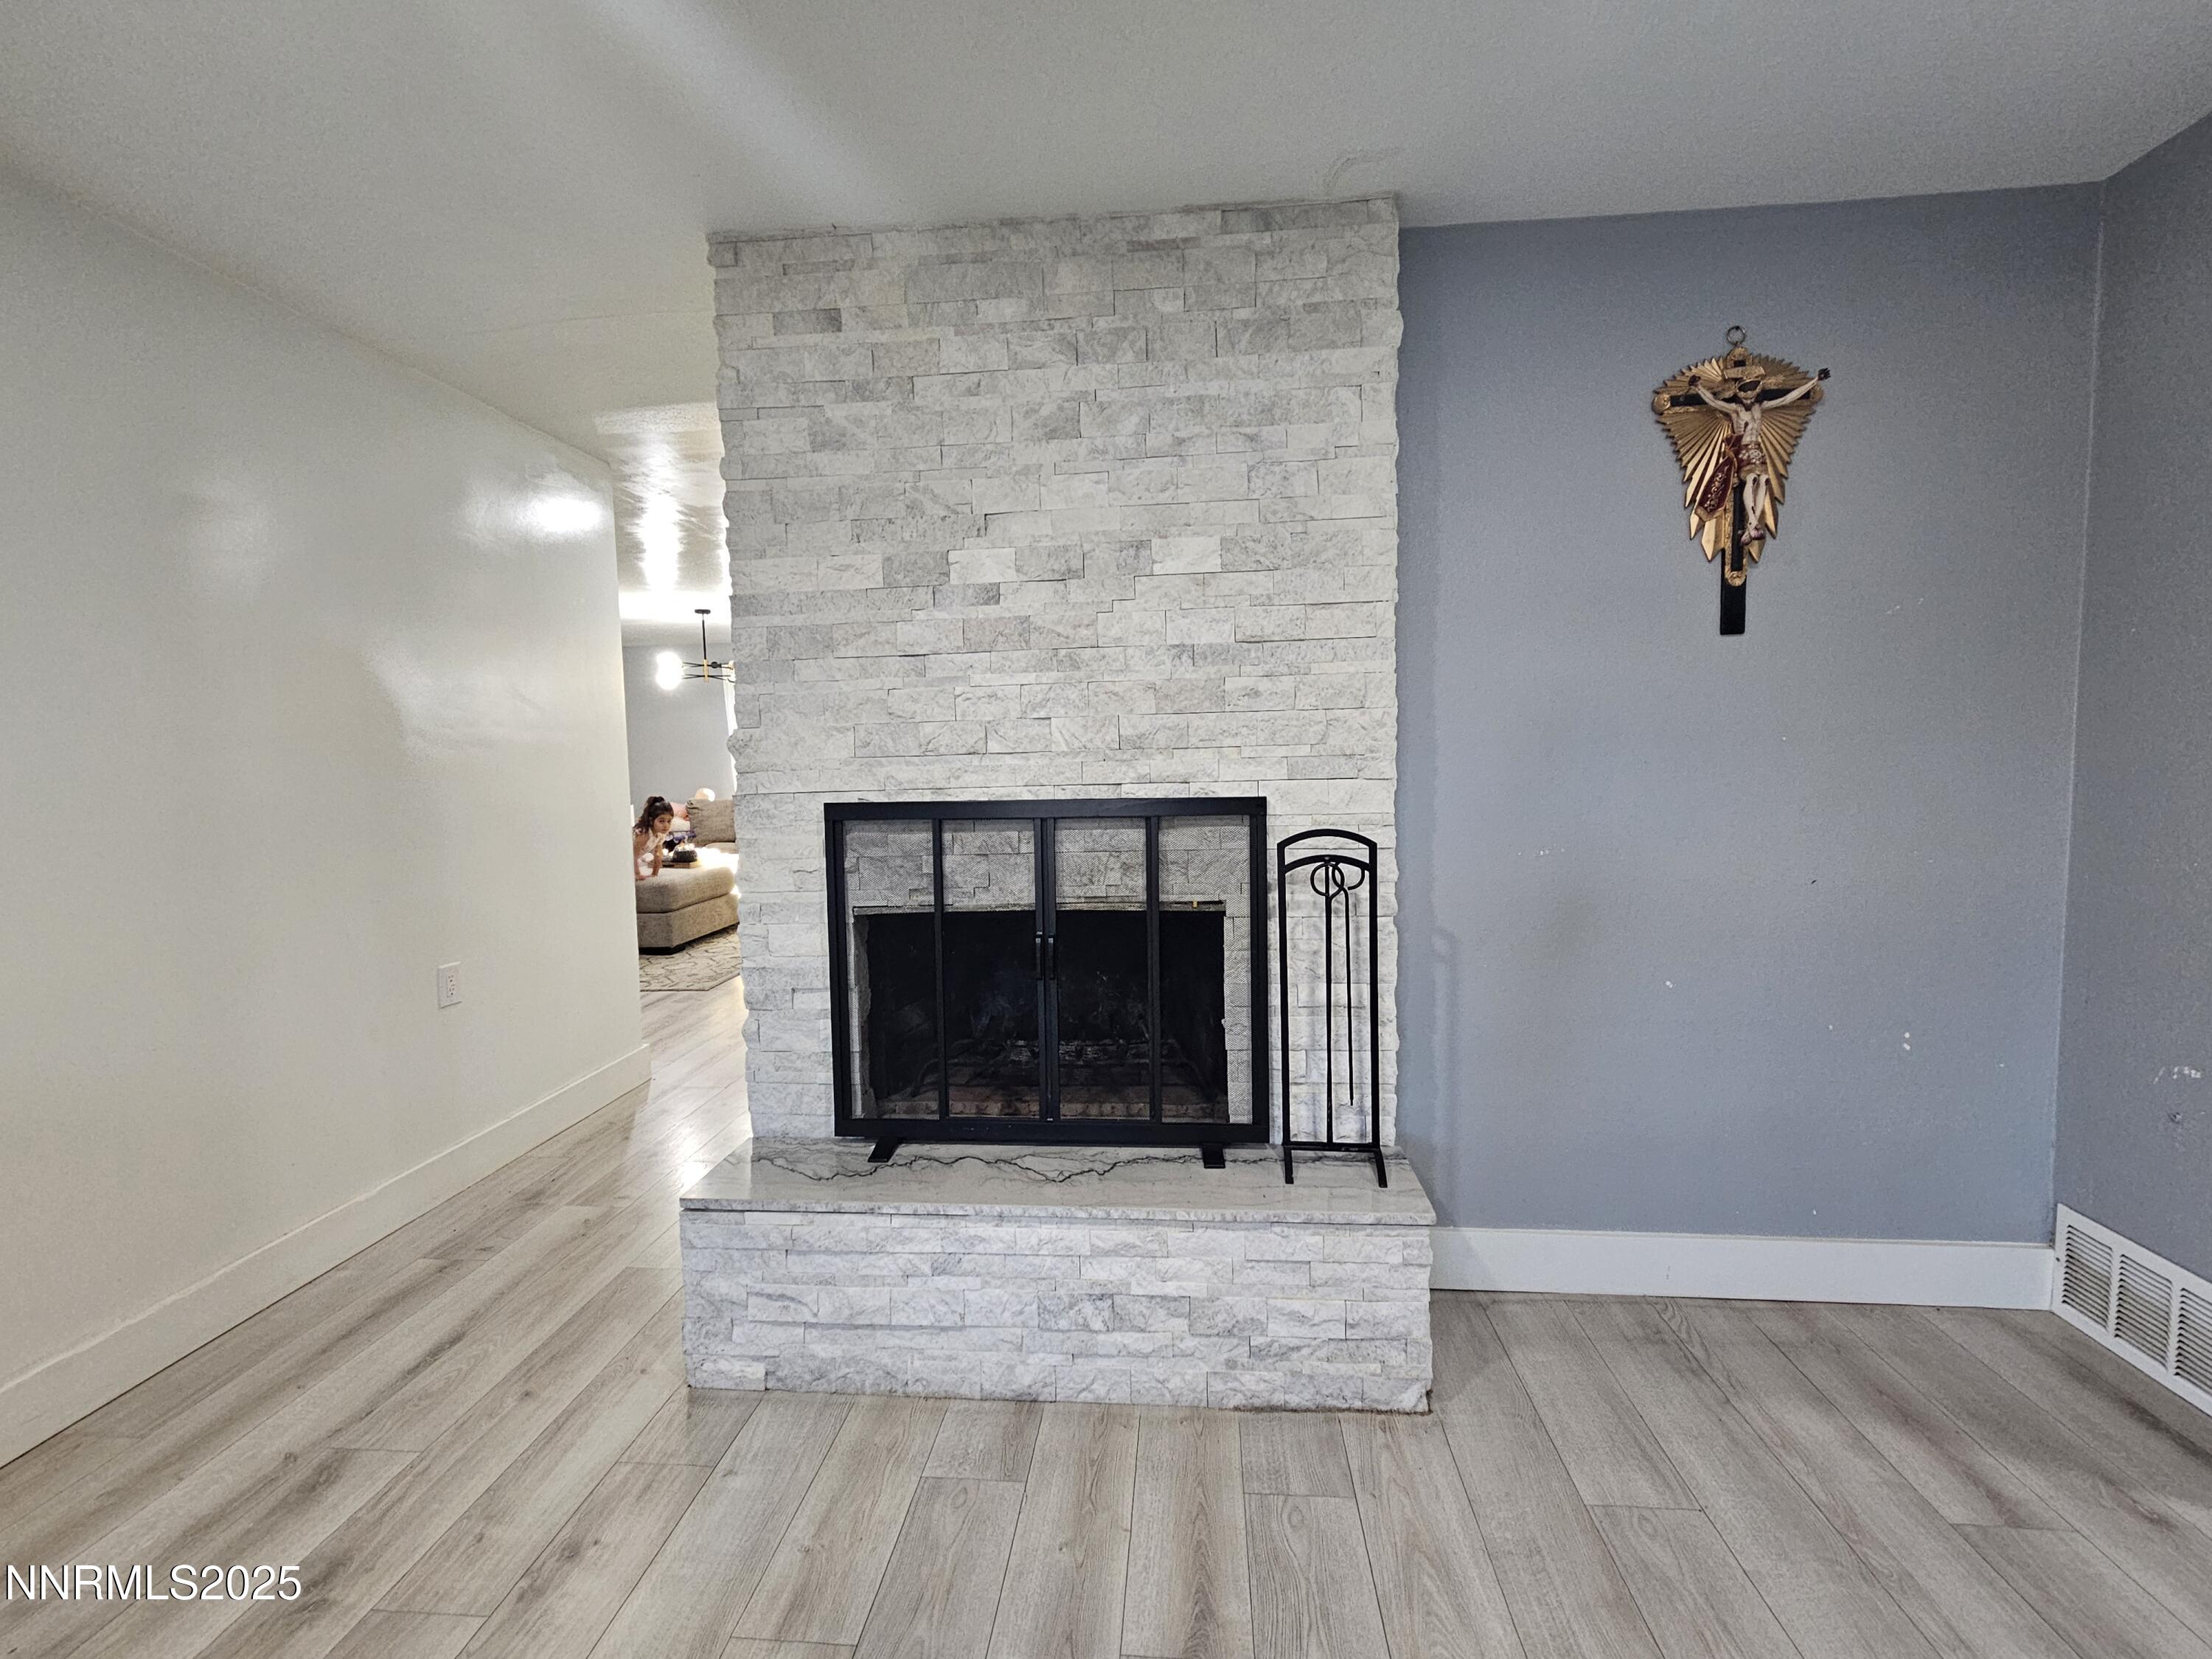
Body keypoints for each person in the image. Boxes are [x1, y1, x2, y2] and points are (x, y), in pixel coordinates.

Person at [633, 796, 675, 880]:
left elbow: (658, 856)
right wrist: (637, 874)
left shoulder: (660, 835)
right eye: (661, 821)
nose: (666, 825)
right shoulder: (644, 834)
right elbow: (633, 856)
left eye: (669, 821)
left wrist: (655, 874)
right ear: (651, 821)